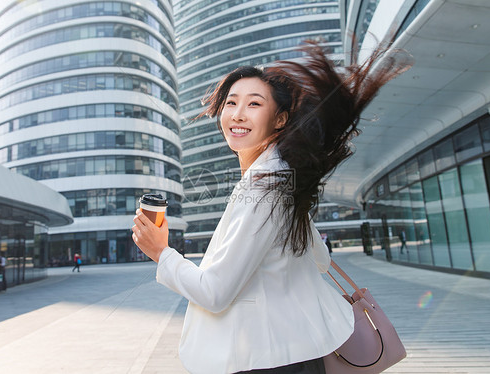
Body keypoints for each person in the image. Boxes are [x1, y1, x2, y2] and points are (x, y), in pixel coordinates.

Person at [132, 41, 410, 373]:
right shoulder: (280, 178)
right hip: (293, 354)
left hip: (271, 360)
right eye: (231, 102)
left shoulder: (266, 187)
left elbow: (215, 292)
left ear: (279, 119)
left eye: (254, 104)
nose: (237, 114)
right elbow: (319, 260)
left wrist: (161, 252)